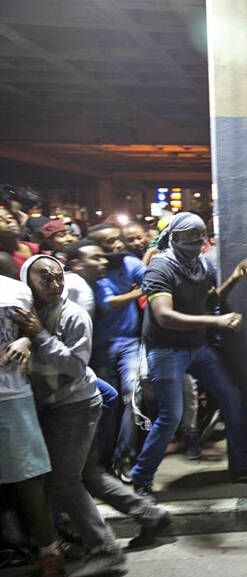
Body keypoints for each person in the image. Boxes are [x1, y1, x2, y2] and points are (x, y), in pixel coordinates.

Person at [130, 212, 247, 496]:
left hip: (196, 347)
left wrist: (233, 279)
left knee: (232, 397)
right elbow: (164, 316)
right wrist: (216, 321)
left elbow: (208, 301)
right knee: (171, 416)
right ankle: (142, 477)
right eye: (189, 236)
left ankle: (244, 465)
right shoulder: (160, 268)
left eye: (200, 235)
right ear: (173, 237)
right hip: (167, 350)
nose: (196, 241)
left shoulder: (202, 264)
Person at [15, 255, 127, 575]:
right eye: (45, 278)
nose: (54, 284)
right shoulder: (29, 313)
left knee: (64, 482)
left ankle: (105, 548)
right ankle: (73, 542)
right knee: (64, 479)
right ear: (28, 281)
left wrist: (38, 336)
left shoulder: (73, 315)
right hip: (49, 405)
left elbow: (76, 366)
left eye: (58, 277)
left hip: (76, 405)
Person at [0, 273, 63, 576]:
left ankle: (49, 551)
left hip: (12, 394)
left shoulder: (13, 289)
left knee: (29, 477)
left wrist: (25, 339)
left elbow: (36, 330)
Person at [87, 223, 146, 481]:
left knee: (132, 396)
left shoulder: (130, 262)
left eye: (117, 239)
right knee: (106, 404)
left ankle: (124, 456)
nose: (118, 245)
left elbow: (150, 279)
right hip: (102, 345)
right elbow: (108, 303)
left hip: (131, 342)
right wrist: (136, 293)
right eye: (110, 242)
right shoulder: (97, 273)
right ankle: (104, 458)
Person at [0, 202, 38, 273]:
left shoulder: (37, 248)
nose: (8, 221)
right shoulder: (2, 260)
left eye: (10, 217)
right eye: (0, 220)